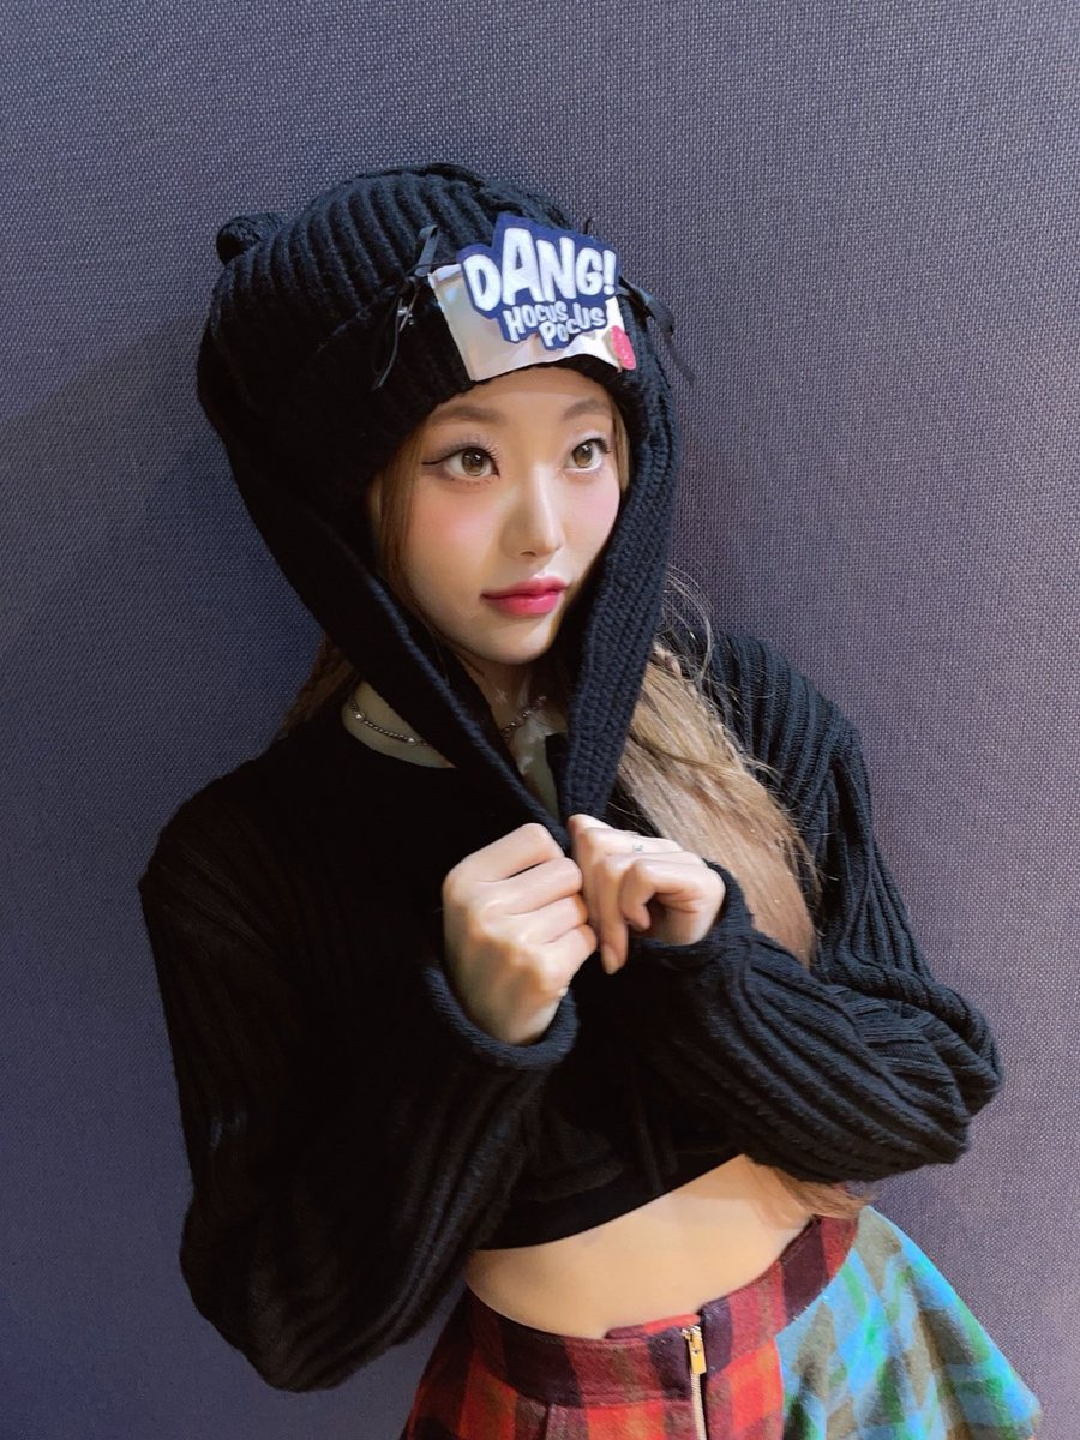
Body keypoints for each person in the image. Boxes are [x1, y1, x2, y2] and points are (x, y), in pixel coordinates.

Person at [137, 162, 1042, 1437]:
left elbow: (929, 1096)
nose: (545, 530)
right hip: (567, 1411)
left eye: (585, 449)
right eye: (467, 459)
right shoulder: (244, 863)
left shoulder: (741, 713)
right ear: (349, 495)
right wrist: (472, 1040)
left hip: (856, 1352)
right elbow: (291, 1324)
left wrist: (713, 975)